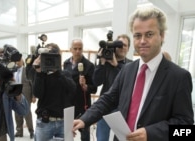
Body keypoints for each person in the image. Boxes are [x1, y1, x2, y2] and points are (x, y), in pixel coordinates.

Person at [72, 6, 194, 141]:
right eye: (137, 35)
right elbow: (108, 99)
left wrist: (151, 133)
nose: (142, 41)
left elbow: (186, 129)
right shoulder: (127, 70)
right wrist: (84, 119)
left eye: (149, 34)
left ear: (162, 35)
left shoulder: (179, 77)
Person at [32, 43, 76, 141]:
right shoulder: (41, 75)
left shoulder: (65, 74)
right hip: (45, 121)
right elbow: (37, 94)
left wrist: (57, 71)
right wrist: (38, 72)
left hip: (63, 121)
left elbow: (73, 89)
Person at [93, 34, 132, 141]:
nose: (122, 47)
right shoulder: (106, 62)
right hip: (106, 108)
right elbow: (96, 82)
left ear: (128, 48)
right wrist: (101, 63)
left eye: (124, 45)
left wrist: (116, 65)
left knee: (123, 139)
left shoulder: (132, 65)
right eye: (119, 45)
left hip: (123, 110)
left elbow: (128, 82)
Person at [63, 38, 97, 141]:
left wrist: (85, 86)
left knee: (85, 133)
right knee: (68, 132)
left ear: (83, 49)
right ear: (70, 49)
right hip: (69, 104)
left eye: (80, 48)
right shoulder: (66, 63)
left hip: (83, 105)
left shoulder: (89, 65)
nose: (78, 51)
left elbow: (94, 88)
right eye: (75, 48)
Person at [14, 58, 36, 139]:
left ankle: (31, 131)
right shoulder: (13, 71)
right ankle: (19, 131)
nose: (17, 62)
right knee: (17, 113)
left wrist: (33, 96)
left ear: (22, 61)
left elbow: (32, 83)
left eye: (19, 60)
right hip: (15, 94)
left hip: (26, 93)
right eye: (16, 61)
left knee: (27, 112)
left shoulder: (27, 70)